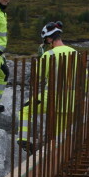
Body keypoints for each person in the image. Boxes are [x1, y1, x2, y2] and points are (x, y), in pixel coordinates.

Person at [17, 21, 79, 152]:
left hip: (52, 97)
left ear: (50, 39)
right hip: (71, 101)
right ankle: (58, 155)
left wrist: (41, 57)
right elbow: (86, 79)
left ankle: (23, 140)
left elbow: (37, 77)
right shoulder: (76, 53)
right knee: (59, 138)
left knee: (25, 110)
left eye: (46, 41)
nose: (46, 44)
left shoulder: (49, 55)